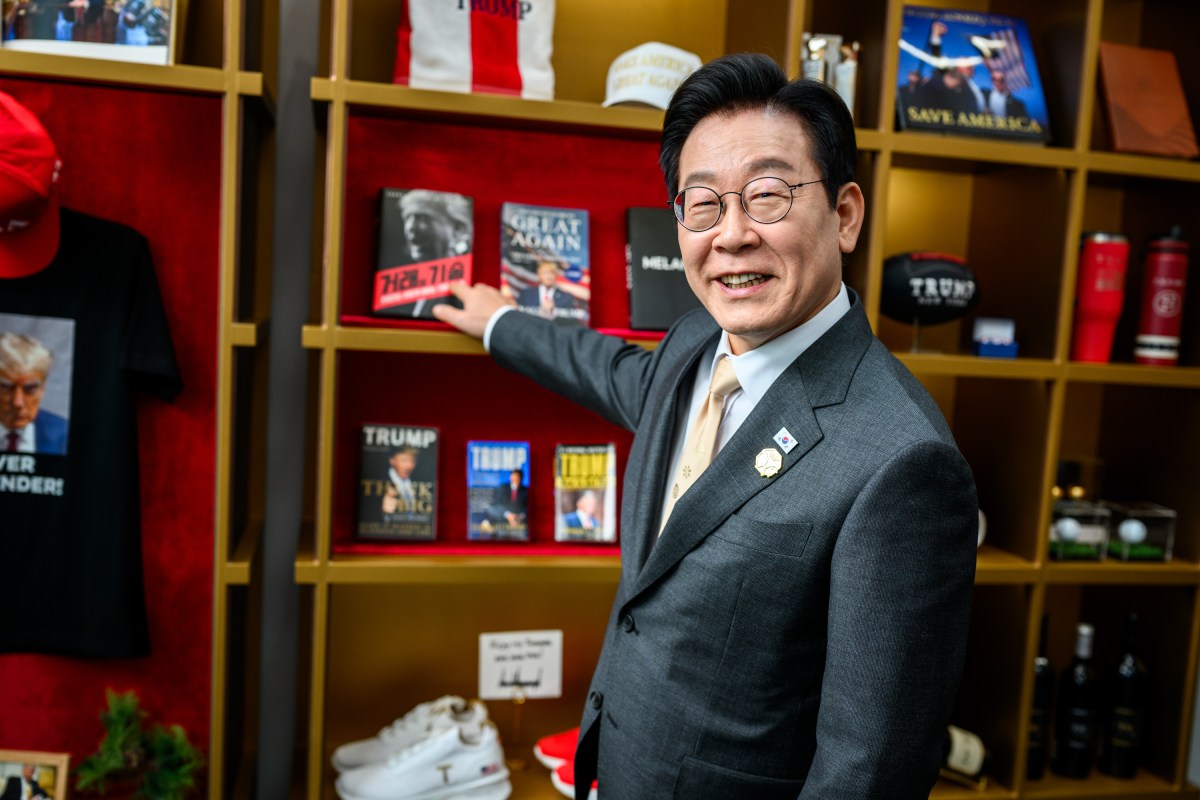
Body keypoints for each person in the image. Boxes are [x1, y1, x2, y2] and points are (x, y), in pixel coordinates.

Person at [435, 52, 977, 798]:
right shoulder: (695, 339)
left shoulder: (902, 460)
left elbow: (869, 770)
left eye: (767, 195)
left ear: (845, 215)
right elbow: (617, 373)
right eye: (703, 203)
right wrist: (505, 325)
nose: (731, 235)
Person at [0, 331, 68, 456]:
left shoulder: (63, 435)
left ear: (43, 388)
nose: (17, 402)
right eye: (6, 387)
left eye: (30, 389)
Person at [514, 259, 580, 321]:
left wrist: (554, 312)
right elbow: (519, 317)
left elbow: (571, 322)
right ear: (539, 275)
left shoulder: (566, 297)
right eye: (545, 273)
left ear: (556, 276)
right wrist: (540, 312)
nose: (549, 276)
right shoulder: (526, 294)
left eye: (552, 273)